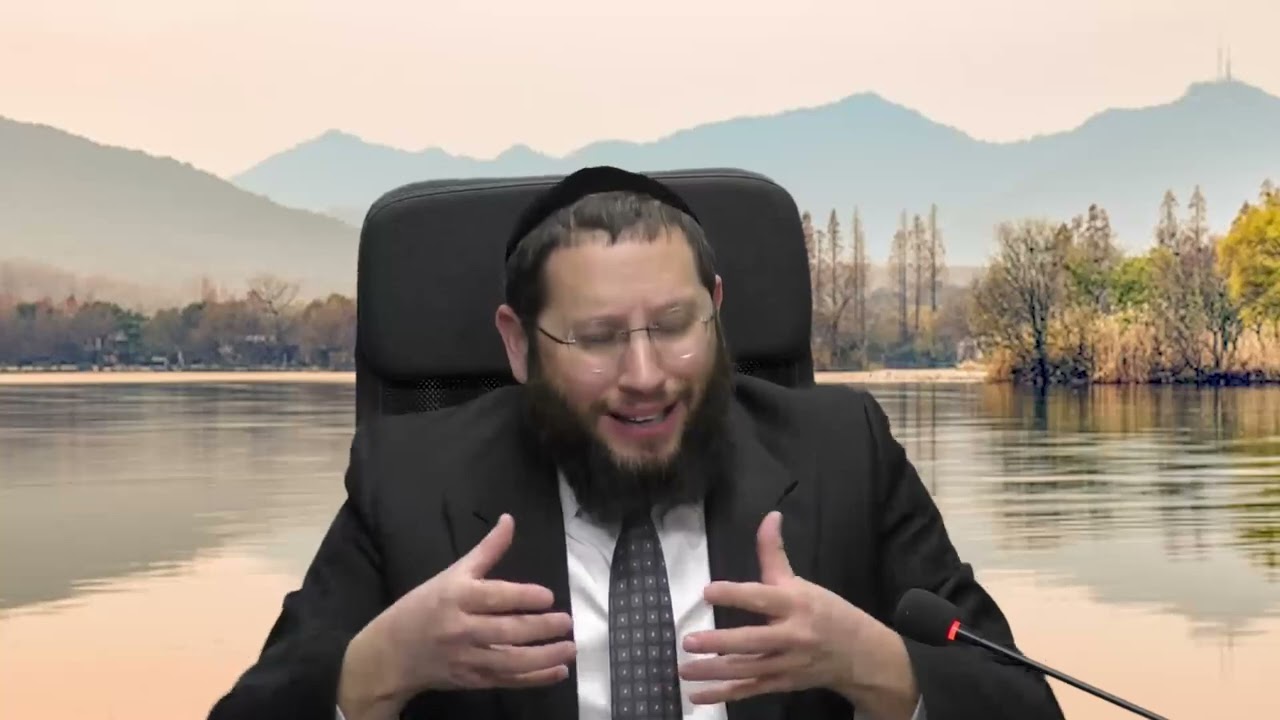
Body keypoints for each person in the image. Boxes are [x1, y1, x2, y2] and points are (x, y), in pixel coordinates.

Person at [208, 167, 1064, 720]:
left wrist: (876, 665)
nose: (647, 375)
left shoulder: (843, 451)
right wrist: (373, 674)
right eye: (597, 338)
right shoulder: (409, 481)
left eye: (675, 326)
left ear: (716, 312)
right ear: (518, 344)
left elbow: (1025, 704)